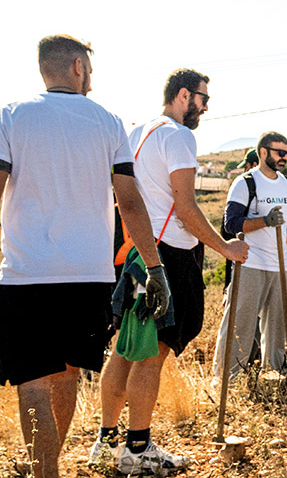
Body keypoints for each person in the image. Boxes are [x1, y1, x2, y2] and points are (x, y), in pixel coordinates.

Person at [0, 35, 169, 478]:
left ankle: (46, 473)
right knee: (67, 375)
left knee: (32, 383)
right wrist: (155, 268)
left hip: (25, 273)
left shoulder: (11, 117)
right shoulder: (109, 122)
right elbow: (130, 203)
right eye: (89, 68)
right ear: (77, 66)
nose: (91, 77)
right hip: (88, 276)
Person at [91, 68, 249, 475]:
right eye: (202, 98)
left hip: (134, 251)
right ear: (183, 95)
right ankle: (138, 449)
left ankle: (107, 444)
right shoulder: (179, 135)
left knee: (125, 348)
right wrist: (225, 247)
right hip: (168, 255)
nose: (205, 107)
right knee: (153, 355)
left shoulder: (137, 130)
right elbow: (186, 208)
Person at [213, 131, 287, 379]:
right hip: (251, 263)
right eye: (279, 152)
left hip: (281, 267)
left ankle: (274, 374)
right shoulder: (245, 183)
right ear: (263, 152)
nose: (284, 157)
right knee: (240, 323)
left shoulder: (286, 182)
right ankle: (228, 378)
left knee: (277, 329)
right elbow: (231, 223)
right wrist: (264, 221)